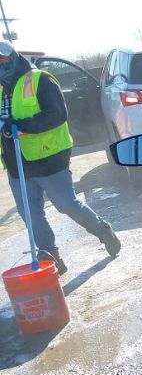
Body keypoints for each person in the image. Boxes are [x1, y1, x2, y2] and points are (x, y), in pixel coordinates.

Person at [0, 42, 120, 275]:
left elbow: (57, 115)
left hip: (49, 159)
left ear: (13, 57)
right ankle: (50, 255)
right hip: (16, 163)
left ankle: (102, 230)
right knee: (30, 213)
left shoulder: (40, 80)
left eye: (2, 59)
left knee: (66, 205)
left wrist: (22, 126)